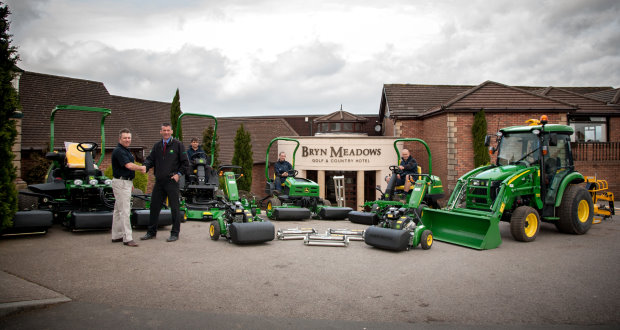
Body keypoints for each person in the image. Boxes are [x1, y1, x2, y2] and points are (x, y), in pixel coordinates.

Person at [141, 123, 189, 242]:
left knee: (175, 208)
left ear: (171, 132)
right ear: (161, 132)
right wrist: (145, 167)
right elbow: (150, 159)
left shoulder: (178, 145)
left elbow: (185, 163)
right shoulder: (157, 146)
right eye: (164, 130)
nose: (166, 132)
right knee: (154, 207)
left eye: (168, 130)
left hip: (171, 182)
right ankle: (151, 232)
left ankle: (175, 233)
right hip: (159, 182)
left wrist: (178, 174)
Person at [111, 128, 146, 247]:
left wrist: (131, 184)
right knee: (125, 211)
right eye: (125, 138)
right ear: (120, 139)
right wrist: (141, 168)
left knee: (118, 210)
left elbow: (127, 168)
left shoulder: (126, 150)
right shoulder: (119, 151)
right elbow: (128, 165)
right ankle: (127, 238)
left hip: (125, 182)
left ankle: (116, 235)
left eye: (129, 138)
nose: (127, 140)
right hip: (121, 183)